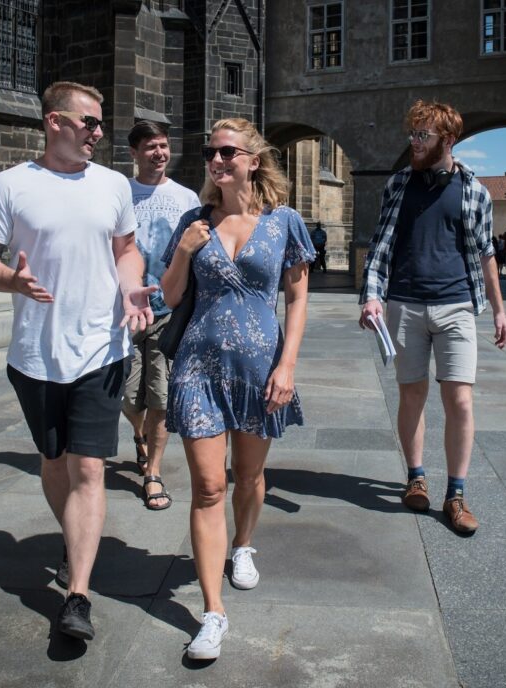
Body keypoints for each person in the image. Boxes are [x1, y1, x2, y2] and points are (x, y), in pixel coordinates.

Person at [0, 81, 154, 642]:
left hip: (102, 347)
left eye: (101, 124)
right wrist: (10, 280)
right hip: (35, 354)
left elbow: (126, 249)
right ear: (54, 122)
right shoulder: (10, 185)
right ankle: (78, 543)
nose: (99, 133)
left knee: (90, 468)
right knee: (54, 464)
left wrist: (130, 288)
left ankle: (78, 595)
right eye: (89, 123)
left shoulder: (114, 184)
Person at [159, 118, 316, 660]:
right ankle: (212, 612)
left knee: (248, 475)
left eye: (228, 152)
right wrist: (184, 248)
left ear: (252, 160)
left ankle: (243, 545)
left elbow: (297, 298)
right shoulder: (193, 220)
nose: (217, 160)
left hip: (260, 370)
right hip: (197, 370)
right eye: (210, 152)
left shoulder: (284, 222)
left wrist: (288, 364)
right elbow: (171, 296)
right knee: (207, 487)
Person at [359, 99, 506, 534]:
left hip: (457, 305)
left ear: (447, 140)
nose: (414, 142)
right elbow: (381, 243)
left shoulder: (474, 191)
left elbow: (485, 253)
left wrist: (499, 310)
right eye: (412, 134)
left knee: (459, 399)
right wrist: (372, 296)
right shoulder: (398, 185)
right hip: (404, 304)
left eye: (421, 136)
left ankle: (456, 494)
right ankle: (416, 478)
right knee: (412, 396)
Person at [123, 121, 201, 510]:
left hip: (169, 311)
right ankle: (139, 436)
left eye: (164, 146)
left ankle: (153, 472)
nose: (160, 153)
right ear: (134, 152)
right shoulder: (120, 193)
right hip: (124, 312)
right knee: (126, 396)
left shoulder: (186, 197)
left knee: (161, 396)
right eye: (151, 147)